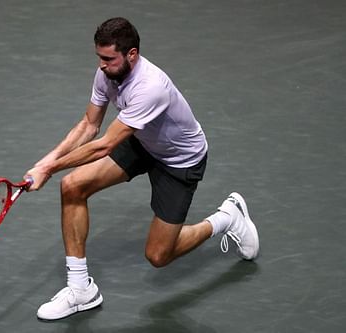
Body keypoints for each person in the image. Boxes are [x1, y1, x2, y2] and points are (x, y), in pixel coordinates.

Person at [24, 17, 259, 321]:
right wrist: (46, 162)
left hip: (179, 161)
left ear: (131, 54)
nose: (102, 65)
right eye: (99, 57)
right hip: (142, 141)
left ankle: (227, 219)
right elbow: (89, 125)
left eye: (109, 58)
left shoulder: (150, 87)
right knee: (72, 186)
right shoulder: (106, 74)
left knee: (159, 256)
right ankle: (81, 290)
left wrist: (50, 167)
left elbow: (105, 145)